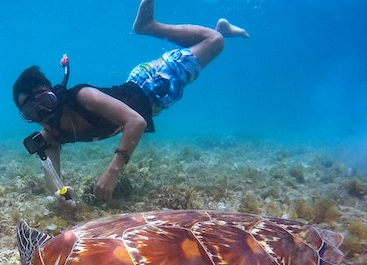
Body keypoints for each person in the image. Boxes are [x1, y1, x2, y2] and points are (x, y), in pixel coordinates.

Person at [13, 0, 248, 210]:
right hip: (141, 86)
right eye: (32, 112)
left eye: (44, 102)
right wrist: (59, 194)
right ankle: (221, 30)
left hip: (155, 85)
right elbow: (51, 175)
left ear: (55, 92)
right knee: (209, 43)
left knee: (214, 43)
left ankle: (148, 26)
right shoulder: (52, 134)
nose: (43, 114)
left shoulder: (83, 97)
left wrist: (112, 171)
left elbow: (136, 122)